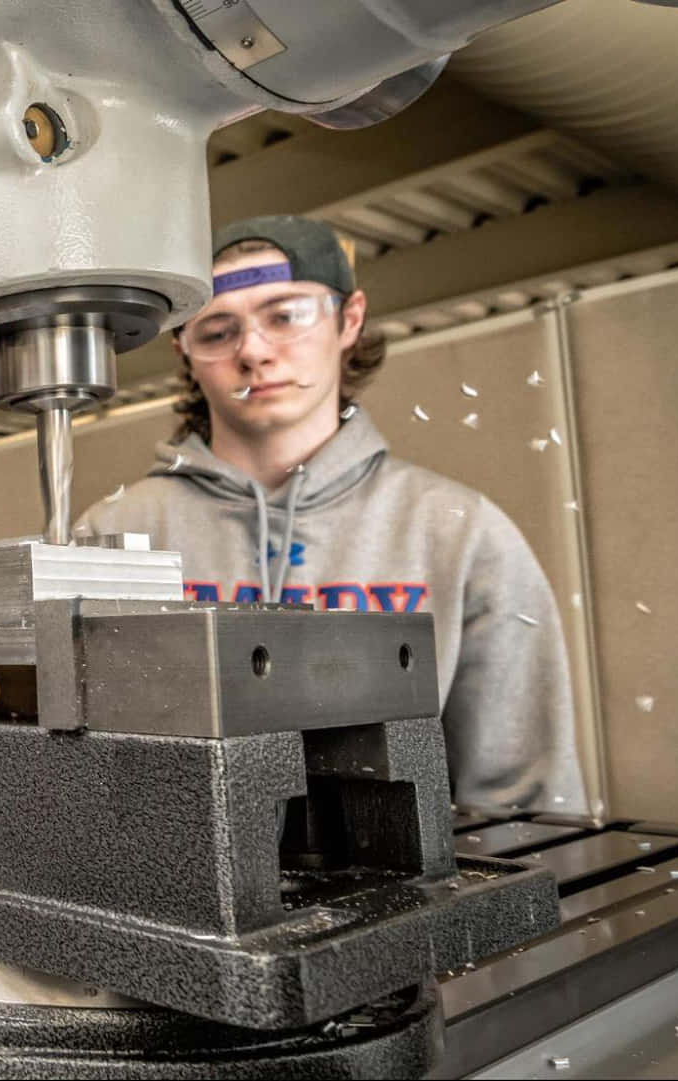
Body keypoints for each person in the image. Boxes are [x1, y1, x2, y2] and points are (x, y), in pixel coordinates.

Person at [76, 214, 583, 813]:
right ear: (183, 350)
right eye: (216, 330)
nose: (254, 351)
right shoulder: (112, 536)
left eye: (285, 316)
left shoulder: (459, 531)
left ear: (350, 320)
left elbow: (520, 806)